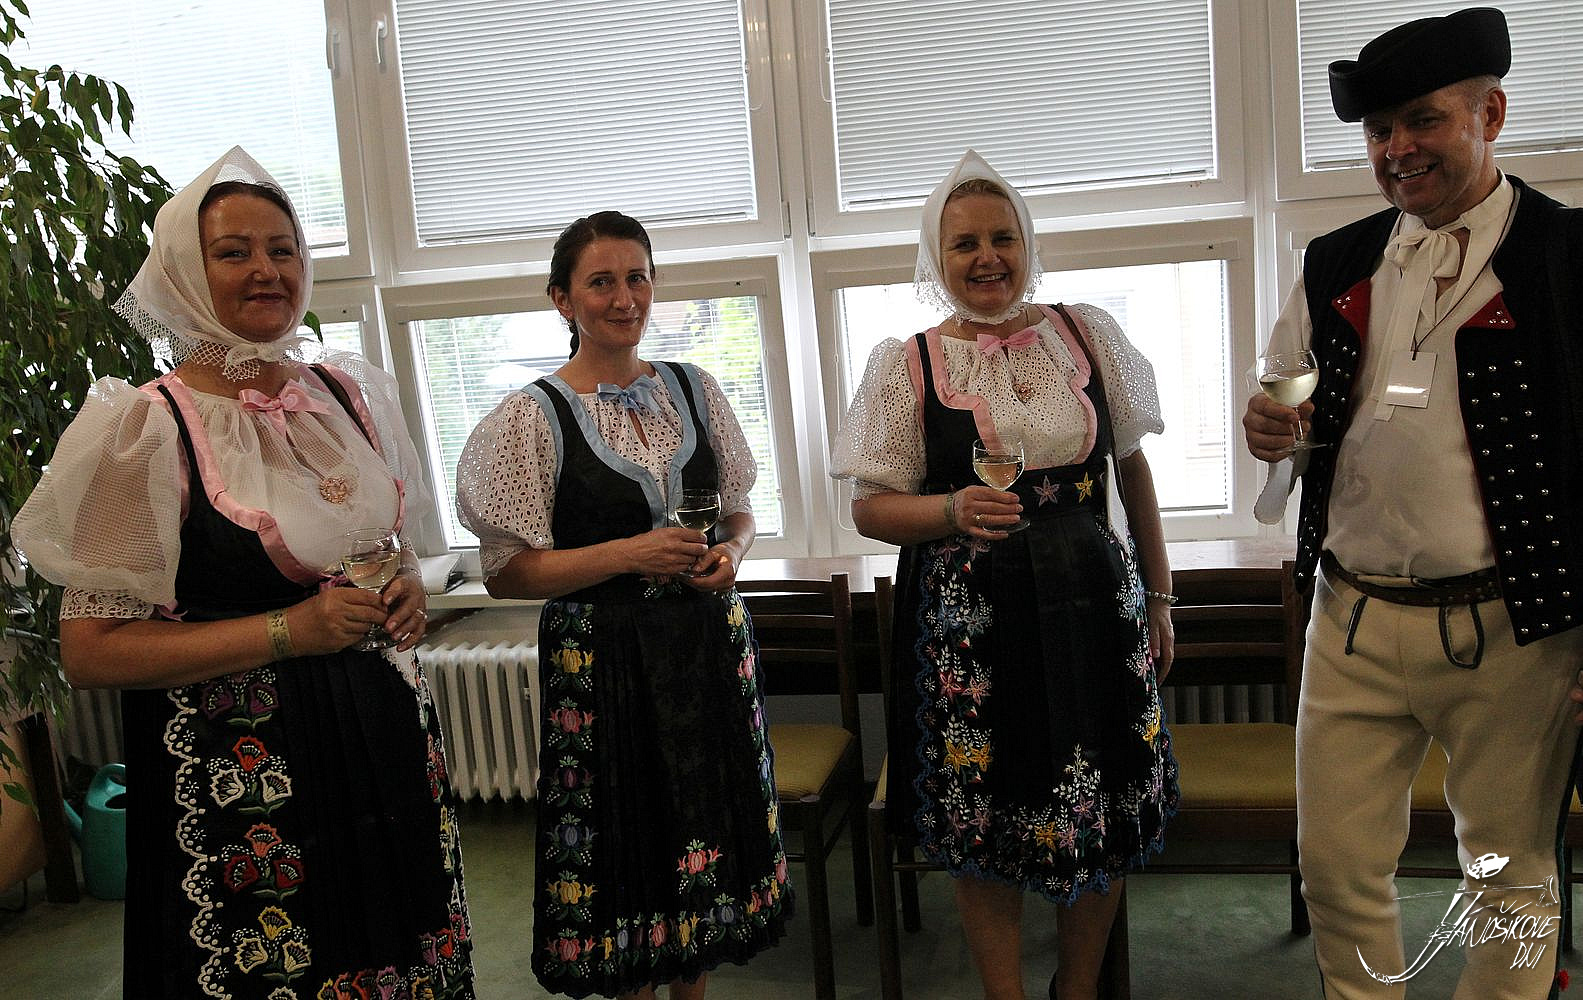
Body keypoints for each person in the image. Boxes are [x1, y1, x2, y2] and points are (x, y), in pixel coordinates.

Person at [12, 148, 473, 997]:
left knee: (399, 945)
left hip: (383, 738)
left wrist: (405, 580)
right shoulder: (144, 430)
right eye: (234, 252)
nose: (267, 270)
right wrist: (286, 631)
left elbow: (385, 541)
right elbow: (91, 651)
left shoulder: (346, 392)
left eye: (282, 248)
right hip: (244, 775)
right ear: (185, 275)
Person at [1242, 8, 1583, 997]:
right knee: (1334, 869)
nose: (1396, 148)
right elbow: (1292, 402)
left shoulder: (1566, 256)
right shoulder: (1333, 260)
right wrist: (1275, 436)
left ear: (1489, 115)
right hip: (1348, 621)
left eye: (1422, 120)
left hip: (1514, 628)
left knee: (1507, 876)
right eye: (1378, 129)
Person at [832, 150, 1179, 1000]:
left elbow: (1131, 470)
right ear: (936, 257)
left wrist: (1160, 597)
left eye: (1002, 238)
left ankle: (1076, 990)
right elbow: (870, 510)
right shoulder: (906, 362)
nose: (987, 257)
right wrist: (950, 510)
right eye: (964, 244)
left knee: (1099, 808)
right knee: (982, 813)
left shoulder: (1085, 333)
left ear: (1026, 244)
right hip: (971, 622)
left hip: (1095, 602)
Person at [455, 211, 791, 999]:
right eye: (600, 281)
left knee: (703, 826)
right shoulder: (530, 417)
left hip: (704, 644)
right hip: (602, 658)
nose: (623, 297)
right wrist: (628, 554)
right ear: (562, 300)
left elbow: (739, 510)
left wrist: (733, 553)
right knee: (627, 841)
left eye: (636, 277)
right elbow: (506, 573)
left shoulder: (693, 389)